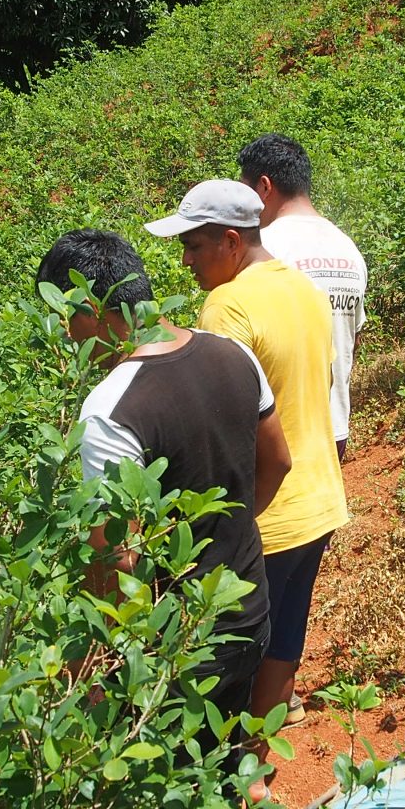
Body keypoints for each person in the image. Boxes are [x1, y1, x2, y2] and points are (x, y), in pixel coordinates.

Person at [37, 228, 291, 764]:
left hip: (176, 647)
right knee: (222, 766)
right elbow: (278, 461)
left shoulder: (110, 409)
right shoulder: (233, 353)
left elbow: (117, 559)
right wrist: (228, 529)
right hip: (249, 608)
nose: (63, 333)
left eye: (64, 316)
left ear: (92, 310)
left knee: (167, 790)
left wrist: (100, 663)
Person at [144, 181, 347, 760]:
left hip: (267, 510)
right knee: (283, 643)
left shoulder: (227, 306)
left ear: (231, 242)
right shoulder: (304, 289)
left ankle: (221, 778)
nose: (186, 261)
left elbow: (224, 420)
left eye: (194, 246)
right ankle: (255, 769)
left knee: (230, 657)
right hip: (319, 500)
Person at [239, 133, 368, 460]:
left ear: (264, 187)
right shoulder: (348, 248)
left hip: (277, 434)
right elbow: (352, 341)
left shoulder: (263, 248)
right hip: (333, 429)